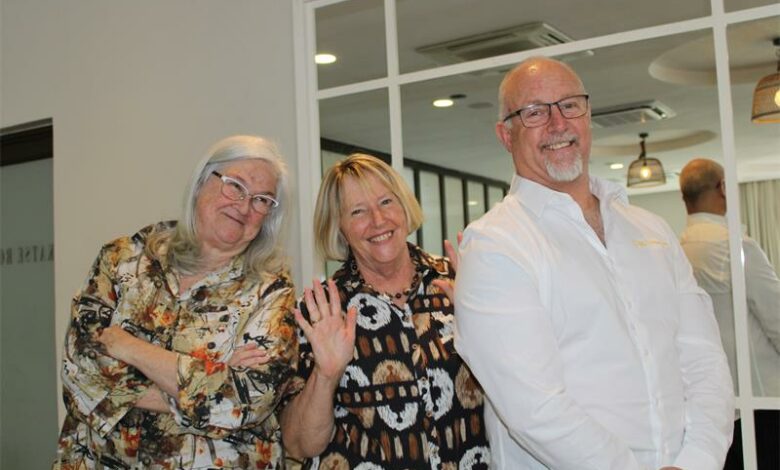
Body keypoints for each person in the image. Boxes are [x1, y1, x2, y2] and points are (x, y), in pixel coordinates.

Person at [453, 57, 734, 470]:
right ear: (506, 135)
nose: (558, 123)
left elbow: (704, 360)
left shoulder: (651, 228)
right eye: (535, 112)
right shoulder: (496, 244)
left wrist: (698, 460)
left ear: (587, 115)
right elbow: (535, 408)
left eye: (570, 105)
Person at [53, 135, 297, 469]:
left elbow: (249, 400)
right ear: (201, 182)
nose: (244, 207)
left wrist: (128, 348)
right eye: (235, 186)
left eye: (262, 200)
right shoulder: (123, 259)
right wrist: (209, 379)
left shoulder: (272, 290)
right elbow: (79, 369)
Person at [280, 154, 490, 469]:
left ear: (404, 206)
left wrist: (485, 325)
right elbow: (300, 444)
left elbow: (515, 389)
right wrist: (326, 375)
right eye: (358, 211)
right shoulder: (320, 312)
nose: (378, 220)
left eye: (386, 202)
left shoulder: (458, 282)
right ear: (339, 227)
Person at [679, 157, 780, 470]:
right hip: (760, 399)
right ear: (722, 188)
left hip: (709, 403)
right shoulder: (736, 246)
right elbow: (777, 318)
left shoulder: (676, 249)